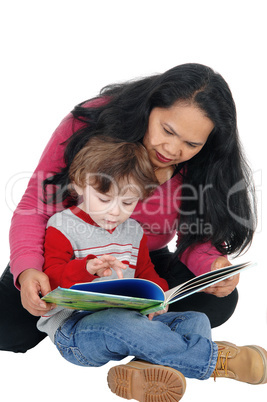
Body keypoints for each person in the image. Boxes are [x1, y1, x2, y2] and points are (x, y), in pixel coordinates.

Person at [0, 63, 256, 353]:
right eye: (167, 130)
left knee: (218, 301)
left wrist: (213, 265)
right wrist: (28, 270)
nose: (173, 150)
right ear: (150, 107)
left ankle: (130, 340)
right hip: (68, 252)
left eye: (191, 144)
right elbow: (35, 205)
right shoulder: (90, 122)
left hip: (137, 254)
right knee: (7, 331)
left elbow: (196, 234)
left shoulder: (202, 161)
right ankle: (145, 336)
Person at [37, 136, 267, 402]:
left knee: (195, 320)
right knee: (120, 321)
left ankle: (143, 368)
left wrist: (160, 297)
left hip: (132, 322)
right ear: (78, 185)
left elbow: (147, 273)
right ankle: (214, 360)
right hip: (75, 332)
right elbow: (51, 280)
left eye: (127, 203)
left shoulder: (133, 230)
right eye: (103, 198)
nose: (114, 212)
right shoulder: (61, 226)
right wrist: (87, 268)